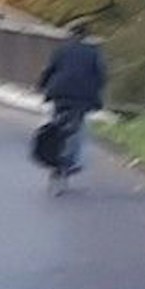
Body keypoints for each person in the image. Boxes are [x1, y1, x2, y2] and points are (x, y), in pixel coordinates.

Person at [37, 21, 107, 176]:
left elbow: (49, 70)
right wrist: (97, 93)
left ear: (70, 35)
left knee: (56, 123)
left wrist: (42, 87)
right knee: (79, 128)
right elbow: (101, 76)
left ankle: (54, 155)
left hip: (60, 92)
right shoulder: (93, 53)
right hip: (83, 97)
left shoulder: (61, 50)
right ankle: (71, 162)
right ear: (86, 36)